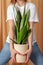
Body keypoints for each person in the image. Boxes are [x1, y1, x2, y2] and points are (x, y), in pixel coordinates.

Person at [0, 0, 43, 65]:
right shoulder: (11, 7)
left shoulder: (31, 6)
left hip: (30, 43)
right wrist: (11, 48)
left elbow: (30, 28)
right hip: (12, 43)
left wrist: (30, 48)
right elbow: (12, 28)